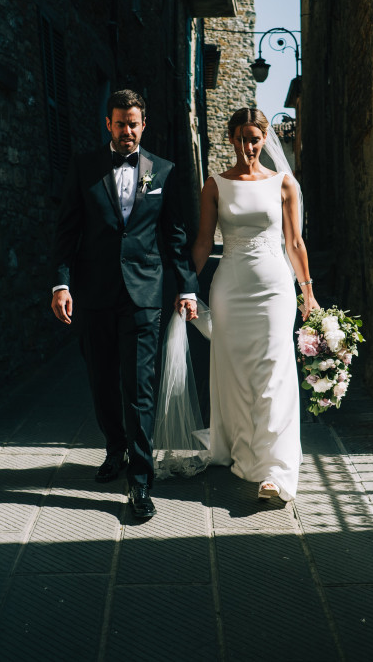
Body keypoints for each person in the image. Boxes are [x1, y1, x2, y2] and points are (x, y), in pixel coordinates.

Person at [51, 89, 198, 519]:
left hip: (143, 296)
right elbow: (66, 232)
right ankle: (114, 448)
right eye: (120, 123)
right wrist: (61, 285)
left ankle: (140, 481)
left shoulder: (164, 172)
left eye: (133, 124)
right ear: (108, 125)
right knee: (101, 381)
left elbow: (174, 235)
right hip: (93, 293)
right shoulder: (84, 168)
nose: (127, 131)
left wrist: (186, 287)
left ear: (143, 125)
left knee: (139, 388)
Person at [191, 108, 320, 501]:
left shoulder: (284, 184)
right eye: (242, 138)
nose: (248, 146)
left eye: (255, 139)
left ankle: (274, 470)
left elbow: (295, 243)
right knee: (234, 374)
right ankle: (241, 449)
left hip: (275, 290)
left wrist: (308, 291)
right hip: (229, 288)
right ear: (231, 138)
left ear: (264, 140)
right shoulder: (214, 185)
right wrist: (184, 287)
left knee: (273, 374)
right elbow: (202, 241)